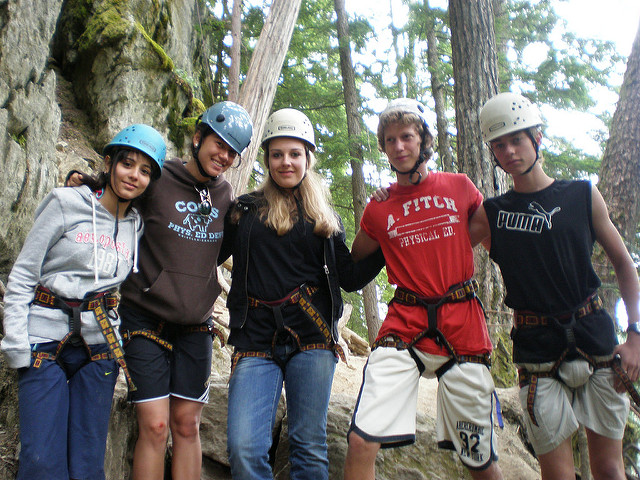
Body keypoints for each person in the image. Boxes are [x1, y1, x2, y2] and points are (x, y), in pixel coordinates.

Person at [475, 91, 640, 480]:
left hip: (596, 339)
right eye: (499, 145)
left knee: (610, 469)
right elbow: (442, 253)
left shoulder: (582, 194)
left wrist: (634, 335)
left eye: (517, 139)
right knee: (558, 476)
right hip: (536, 350)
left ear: (537, 138)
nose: (509, 151)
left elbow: (624, 265)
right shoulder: (493, 214)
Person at [343, 98, 504, 480]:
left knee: (477, 455)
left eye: (407, 137)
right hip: (405, 323)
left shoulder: (459, 187)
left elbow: (497, 248)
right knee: (361, 440)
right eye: (390, 140)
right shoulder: (378, 209)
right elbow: (353, 262)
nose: (399, 146)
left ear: (423, 140)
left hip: (462, 324)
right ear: (382, 148)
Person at [220, 108, 385, 480]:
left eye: (295, 154)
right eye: (277, 154)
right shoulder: (245, 210)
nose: (286, 162)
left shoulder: (323, 217)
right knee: (244, 448)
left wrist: (389, 232)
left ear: (308, 158)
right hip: (255, 339)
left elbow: (351, 276)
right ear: (267, 159)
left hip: (311, 338)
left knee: (308, 446)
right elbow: (206, 252)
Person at [1, 124, 165, 480]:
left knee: (87, 466)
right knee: (42, 464)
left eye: (145, 171)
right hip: (43, 341)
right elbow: (24, 274)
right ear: (109, 163)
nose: (134, 175)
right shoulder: (65, 203)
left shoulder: (136, 225)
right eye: (127, 164)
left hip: (100, 348)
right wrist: (16, 344)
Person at [109, 102, 253, 480]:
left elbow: (217, 253)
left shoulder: (227, 201)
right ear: (197, 138)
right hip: (145, 317)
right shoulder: (158, 178)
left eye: (232, 151)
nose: (223, 155)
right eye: (218, 143)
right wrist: (87, 182)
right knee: (155, 426)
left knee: (187, 426)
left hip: (195, 325)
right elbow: (117, 195)